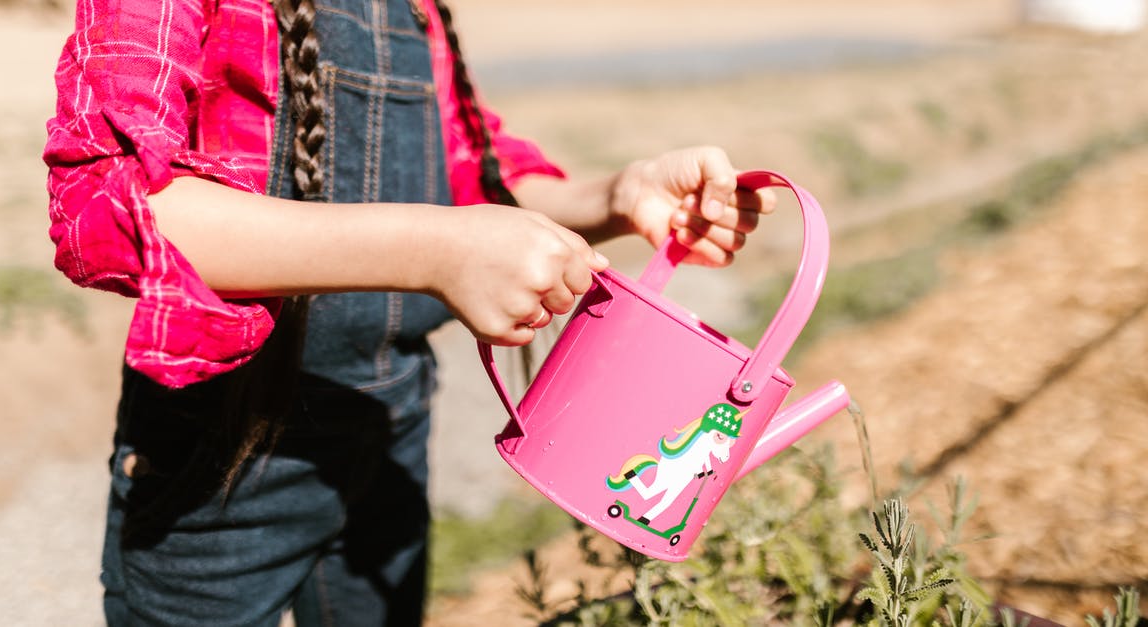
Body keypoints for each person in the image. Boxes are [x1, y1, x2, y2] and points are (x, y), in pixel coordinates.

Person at [43, 0, 775, 624]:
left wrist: (619, 196)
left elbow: (471, 177)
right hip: (222, 462)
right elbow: (110, 206)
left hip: (389, 435)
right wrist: (434, 251)